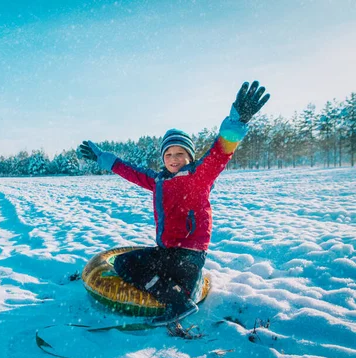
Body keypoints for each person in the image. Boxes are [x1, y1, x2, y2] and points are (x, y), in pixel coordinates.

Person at [79, 81, 270, 321]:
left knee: (130, 265)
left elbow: (220, 152)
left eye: (180, 153)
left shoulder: (198, 175)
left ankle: (178, 302)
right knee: (124, 262)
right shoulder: (159, 180)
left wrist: (237, 122)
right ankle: (176, 293)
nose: (173, 158)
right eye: (168, 154)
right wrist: (101, 158)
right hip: (168, 253)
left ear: (189, 156)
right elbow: (131, 171)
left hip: (188, 256)